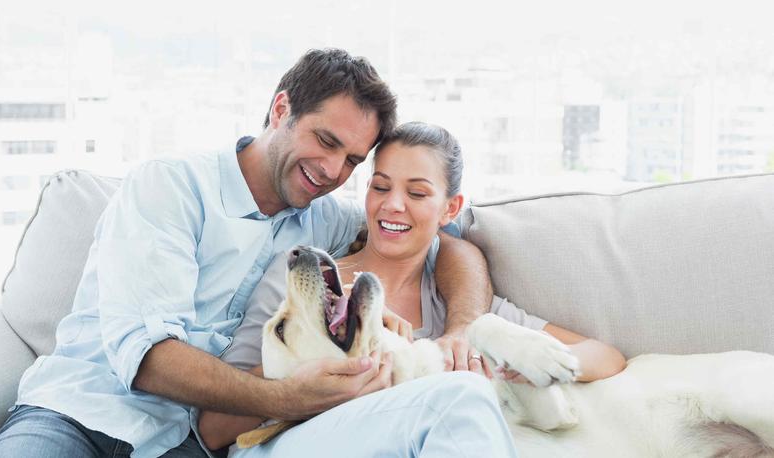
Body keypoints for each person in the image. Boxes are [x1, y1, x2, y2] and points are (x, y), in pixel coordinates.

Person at [0, 50, 501, 458]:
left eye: (351, 160)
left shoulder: (326, 216)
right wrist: (289, 397)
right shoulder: (171, 186)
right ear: (281, 109)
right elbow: (149, 360)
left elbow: (449, 242)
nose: (331, 169)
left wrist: (463, 327)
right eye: (325, 140)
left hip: (185, 444)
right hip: (79, 413)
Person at [198, 122, 627, 455]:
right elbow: (214, 428)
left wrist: (523, 364)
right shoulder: (307, 280)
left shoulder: (461, 310)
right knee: (461, 396)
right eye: (380, 186)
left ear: (450, 208)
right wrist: (298, 385)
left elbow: (606, 356)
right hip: (286, 445)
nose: (393, 205)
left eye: (417, 193)